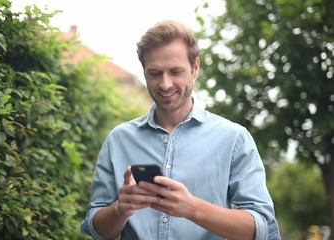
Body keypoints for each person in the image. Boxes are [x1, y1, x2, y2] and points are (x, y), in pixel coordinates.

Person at [80, 20, 281, 240]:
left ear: (195, 68)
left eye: (175, 71)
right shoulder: (119, 139)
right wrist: (120, 210)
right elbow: (96, 229)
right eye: (155, 73)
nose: (165, 84)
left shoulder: (235, 139)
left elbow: (262, 229)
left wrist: (192, 208)